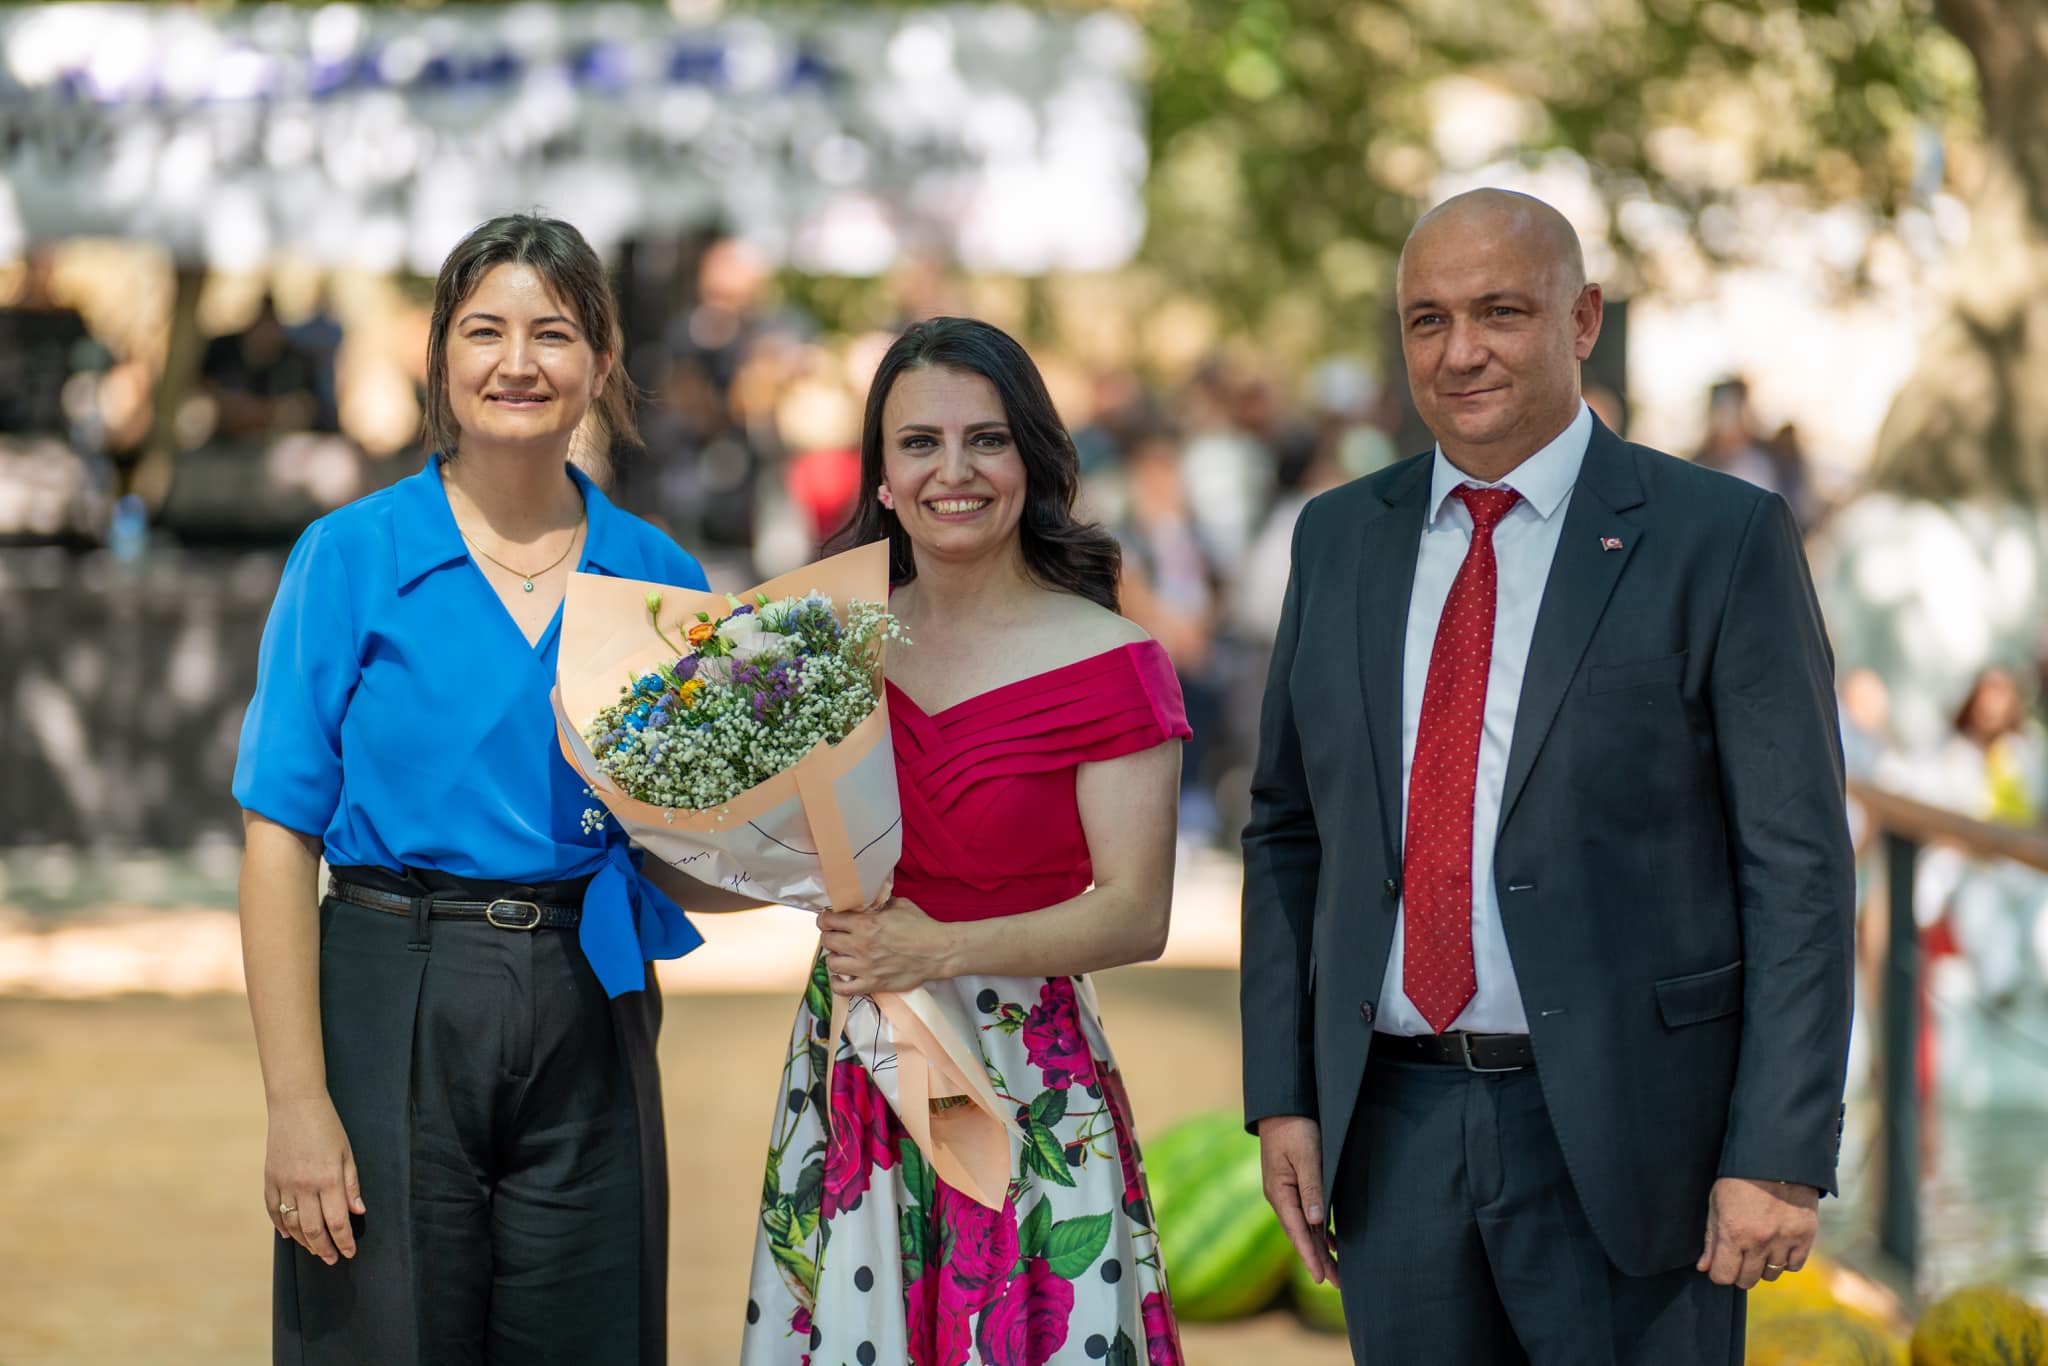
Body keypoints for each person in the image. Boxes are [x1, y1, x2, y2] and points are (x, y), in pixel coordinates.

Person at [1239, 189, 1854, 1365]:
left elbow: (1797, 870)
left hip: (1635, 1141)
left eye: (1498, 312)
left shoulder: (1717, 538)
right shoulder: (1336, 539)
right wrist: (1284, 1091)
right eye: (1426, 320)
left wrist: (1773, 1149)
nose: (1458, 351)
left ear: (1581, 320)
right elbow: (1285, 829)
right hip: (1392, 1131)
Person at [234, 213, 721, 1366]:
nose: (518, 362)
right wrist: (297, 1104)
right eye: (485, 330)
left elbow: (693, 850)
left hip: (590, 1003)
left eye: (552, 333)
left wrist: (830, 875)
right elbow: (275, 840)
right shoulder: (348, 556)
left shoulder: (661, 579)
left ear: (601, 364)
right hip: (388, 991)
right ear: (441, 360)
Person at [739, 317, 1190, 1366]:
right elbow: (751, 857)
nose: (954, 470)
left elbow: (1135, 911)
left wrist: (934, 947)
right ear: (881, 477)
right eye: (918, 444)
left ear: (1030, 460)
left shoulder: (1112, 662)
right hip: (853, 1065)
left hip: (1025, 1078)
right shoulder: (816, 647)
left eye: (985, 439)